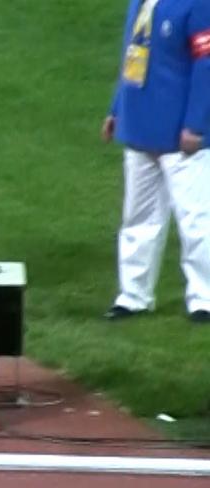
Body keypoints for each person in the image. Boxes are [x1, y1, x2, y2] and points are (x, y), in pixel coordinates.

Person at [104, 0, 210, 322]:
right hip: (140, 125)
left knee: (196, 220)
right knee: (138, 218)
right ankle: (133, 295)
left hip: (181, 136)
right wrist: (116, 108)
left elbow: (206, 66)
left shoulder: (198, 4)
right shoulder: (141, 1)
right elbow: (132, 55)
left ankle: (203, 298)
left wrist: (196, 123)